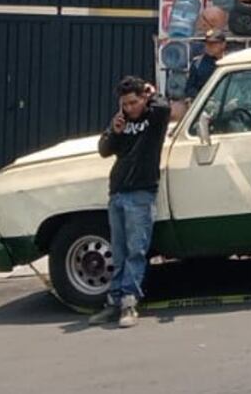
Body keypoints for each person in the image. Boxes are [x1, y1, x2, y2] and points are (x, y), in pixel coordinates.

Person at [90, 76, 171, 328]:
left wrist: (151, 91)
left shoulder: (153, 119)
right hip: (118, 191)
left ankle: (129, 302)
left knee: (137, 250)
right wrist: (114, 131)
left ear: (144, 99)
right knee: (120, 250)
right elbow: (104, 149)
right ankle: (113, 301)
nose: (129, 108)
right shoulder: (121, 122)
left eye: (134, 102)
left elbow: (165, 107)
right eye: (124, 104)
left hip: (141, 192)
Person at [185, 29, 227, 102]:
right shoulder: (197, 63)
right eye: (207, 43)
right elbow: (189, 88)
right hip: (205, 105)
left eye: (213, 43)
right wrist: (203, 97)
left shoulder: (229, 61)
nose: (209, 46)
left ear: (223, 44)